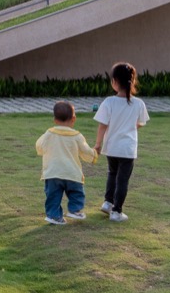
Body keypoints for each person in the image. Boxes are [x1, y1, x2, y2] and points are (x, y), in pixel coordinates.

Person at [94, 62, 149, 223]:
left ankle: (108, 203)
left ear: (114, 81)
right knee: (122, 179)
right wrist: (130, 126)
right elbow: (141, 123)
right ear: (133, 81)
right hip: (127, 149)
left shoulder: (109, 102)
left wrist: (98, 144)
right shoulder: (138, 103)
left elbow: (102, 125)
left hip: (111, 147)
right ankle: (116, 211)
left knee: (112, 173)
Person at [35, 101, 98, 225]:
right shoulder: (76, 136)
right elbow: (85, 150)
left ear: (54, 119)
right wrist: (94, 154)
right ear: (73, 119)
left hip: (52, 172)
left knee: (53, 196)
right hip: (71, 172)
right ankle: (75, 210)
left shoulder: (49, 133)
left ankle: (53, 216)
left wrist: (44, 151)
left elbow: (40, 145)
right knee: (76, 192)